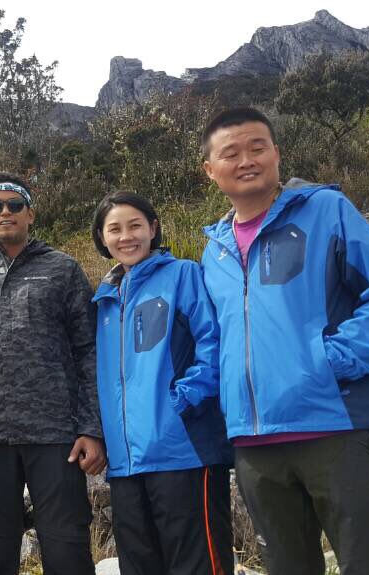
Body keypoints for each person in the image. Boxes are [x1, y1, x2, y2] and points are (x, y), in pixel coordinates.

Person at [199, 107, 369, 575]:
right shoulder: (213, 250)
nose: (246, 160)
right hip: (254, 441)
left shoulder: (325, 210)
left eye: (257, 147)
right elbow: (219, 338)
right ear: (210, 170)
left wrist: (330, 361)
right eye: (231, 153)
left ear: (277, 154)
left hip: (337, 425)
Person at [0, 171, 105, 575]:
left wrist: (92, 428)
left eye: (15, 205)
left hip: (55, 433)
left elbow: (88, 351)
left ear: (31, 214)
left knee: (67, 551)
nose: (5, 212)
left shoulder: (63, 269)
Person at [90, 191, 233, 575]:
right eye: (114, 229)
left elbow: (214, 342)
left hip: (182, 451)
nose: (126, 237)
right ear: (102, 238)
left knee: (198, 565)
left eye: (135, 225)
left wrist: (182, 401)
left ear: (153, 228)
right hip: (125, 464)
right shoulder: (103, 301)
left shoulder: (183, 274)